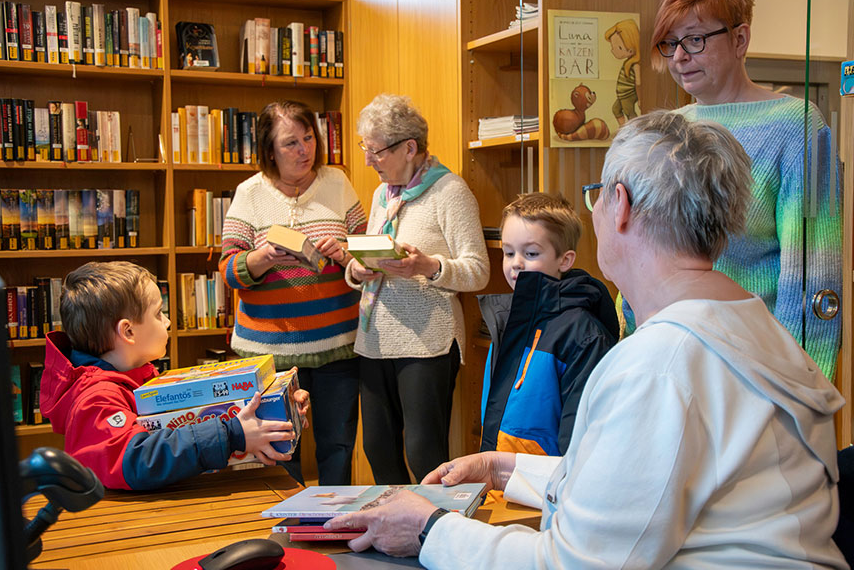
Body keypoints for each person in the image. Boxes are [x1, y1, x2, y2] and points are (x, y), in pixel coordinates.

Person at [324, 111, 848, 569]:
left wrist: (428, 529)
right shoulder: (756, 328)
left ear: (618, 205)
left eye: (595, 196)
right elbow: (636, 483)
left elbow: (576, 562)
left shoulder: (657, 365)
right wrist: (503, 467)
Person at [634, 0, 843, 380]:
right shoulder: (667, 130)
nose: (679, 57)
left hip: (753, 364)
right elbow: (644, 253)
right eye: (671, 43)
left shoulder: (795, 124)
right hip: (669, 357)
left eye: (695, 40)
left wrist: (801, 383)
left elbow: (814, 268)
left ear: (740, 39)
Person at [40, 261, 310, 491]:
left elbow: (187, 425)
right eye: (159, 313)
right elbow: (136, 459)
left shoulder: (137, 376)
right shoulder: (95, 399)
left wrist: (276, 408)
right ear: (128, 332)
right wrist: (231, 434)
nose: (167, 321)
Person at [220, 100, 365, 486]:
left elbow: (368, 252)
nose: (305, 150)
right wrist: (263, 257)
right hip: (272, 353)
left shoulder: (337, 182)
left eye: (308, 138)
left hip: (338, 346)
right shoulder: (249, 193)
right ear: (270, 150)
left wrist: (348, 252)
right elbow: (229, 270)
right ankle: (286, 535)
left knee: (338, 445)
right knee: (281, 453)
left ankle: (337, 527)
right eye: (291, 143)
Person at [348, 93, 489, 483]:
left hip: (427, 342)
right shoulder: (382, 194)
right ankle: (390, 531)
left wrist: (428, 266)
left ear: (409, 147)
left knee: (423, 452)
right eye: (367, 149)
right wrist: (358, 270)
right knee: (377, 447)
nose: (368, 160)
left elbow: (477, 270)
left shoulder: (450, 192)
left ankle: (433, 531)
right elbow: (367, 255)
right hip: (374, 339)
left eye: (376, 151)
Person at [479, 192, 617, 457]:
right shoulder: (509, 319)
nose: (515, 263)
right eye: (508, 252)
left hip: (542, 488)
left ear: (564, 260)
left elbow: (578, 438)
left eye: (530, 253)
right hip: (501, 484)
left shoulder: (582, 335)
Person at [605, 18, 641, 126]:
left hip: (628, 94)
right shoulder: (628, 62)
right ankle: (623, 130)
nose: (613, 50)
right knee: (616, 109)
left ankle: (634, 133)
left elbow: (638, 83)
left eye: (617, 48)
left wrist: (640, 99)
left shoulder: (635, 64)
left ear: (630, 49)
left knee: (630, 113)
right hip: (622, 94)